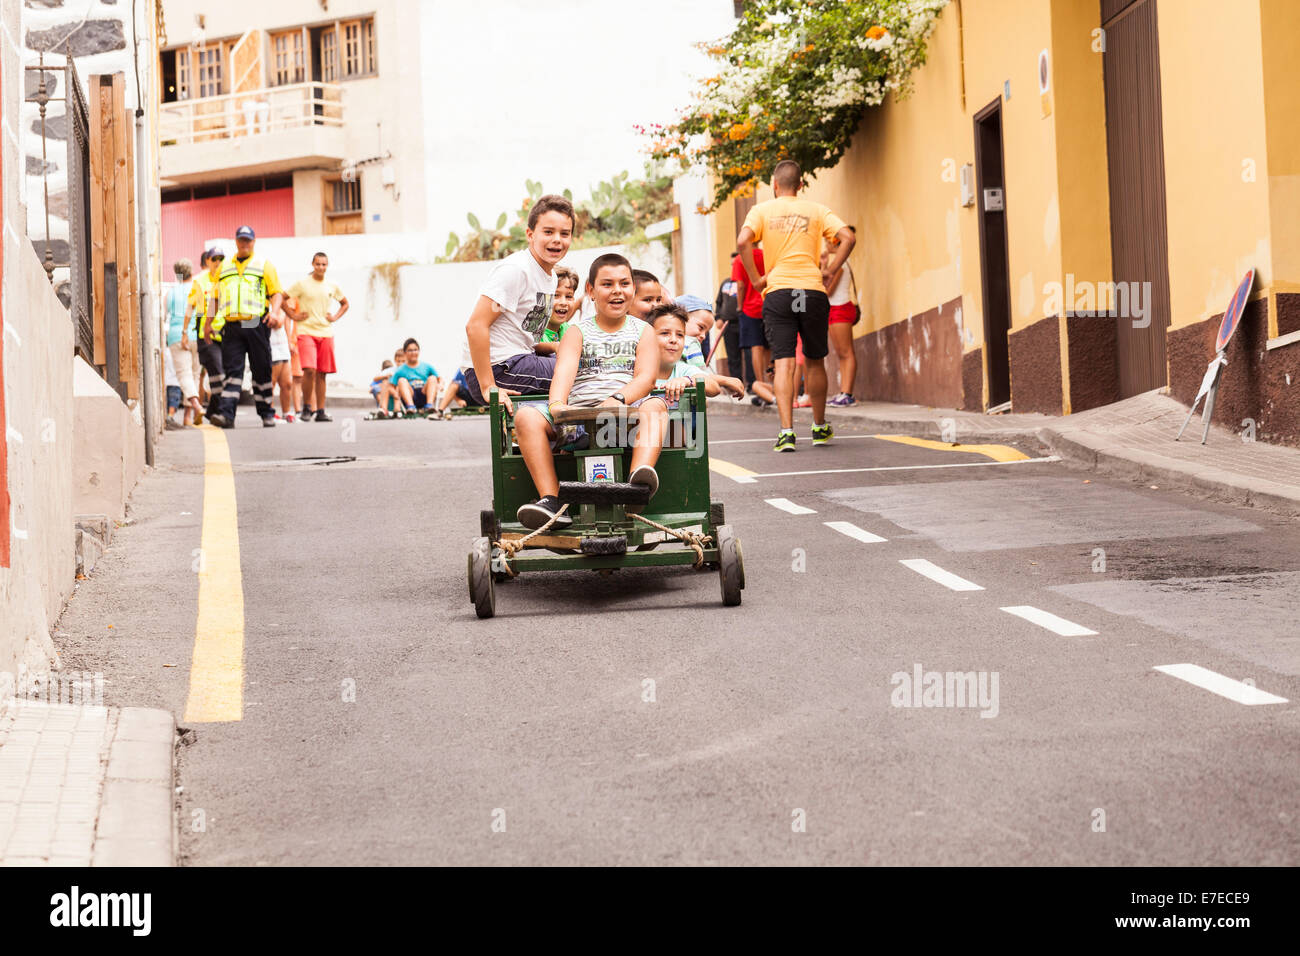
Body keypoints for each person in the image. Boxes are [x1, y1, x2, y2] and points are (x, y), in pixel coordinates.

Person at [513, 253, 669, 529]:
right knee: (526, 416)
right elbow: (564, 372)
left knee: (655, 407)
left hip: (625, 425)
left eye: (624, 283)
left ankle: (637, 483)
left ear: (633, 288)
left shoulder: (643, 331)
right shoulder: (576, 331)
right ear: (590, 290)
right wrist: (558, 404)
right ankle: (551, 501)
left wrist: (617, 399)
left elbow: (645, 378)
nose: (617, 291)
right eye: (607, 284)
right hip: (578, 425)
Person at [737, 158, 855, 451]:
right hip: (812, 290)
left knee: (784, 361)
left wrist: (756, 279)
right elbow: (847, 237)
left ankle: (787, 432)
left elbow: (743, 242)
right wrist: (830, 270)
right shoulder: (816, 210)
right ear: (801, 185)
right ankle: (818, 427)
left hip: (779, 291)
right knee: (815, 360)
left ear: (774, 185)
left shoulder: (761, 210)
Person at [463, 194, 575, 415]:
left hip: (518, 361)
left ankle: (552, 438)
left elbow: (524, 335)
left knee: (578, 359)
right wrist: (488, 387)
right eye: (548, 232)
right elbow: (475, 326)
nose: (557, 239)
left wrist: (554, 347)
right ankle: (574, 436)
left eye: (565, 233)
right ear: (530, 235)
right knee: (583, 371)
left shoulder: (550, 278)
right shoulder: (516, 271)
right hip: (496, 369)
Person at [210, 226, 285, 428]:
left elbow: (276, 293)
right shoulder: (224, 267)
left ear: (253, 242)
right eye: (241, 240)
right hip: (232, 324)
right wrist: (209, 324)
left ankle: (267, 413)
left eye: (248, 240)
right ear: (236, 241)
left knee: (261, 367)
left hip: (255, 321)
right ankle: (227, 415)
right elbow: (215, 299)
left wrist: (275, 312)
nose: (244, 244)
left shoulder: (264, 265)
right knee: (232, 370)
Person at [286, 252, 348, 422]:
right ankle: (307, 407)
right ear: (312, 264)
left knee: (322, 373)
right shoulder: (302, 284)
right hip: (306, 331)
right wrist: (293, 316)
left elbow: (345, 303)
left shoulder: (332, 285)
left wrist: (334, 317)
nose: (321, 267)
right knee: (309, 369)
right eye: (318, 264)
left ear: (327, 266)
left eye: (324, 264)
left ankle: (320, 410)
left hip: (325, 332)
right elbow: (283, 299)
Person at [649, 304, 744, 402]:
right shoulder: (635, 369)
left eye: (680, 335)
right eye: (665, 333)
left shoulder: (683, 369)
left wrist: (687, 380)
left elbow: (714, 388)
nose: (674, 340)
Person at [188, 248, 226, 424]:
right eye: (214, 259)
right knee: (217, 372)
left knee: (221, 374)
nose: (218, 262)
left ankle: (213, 410)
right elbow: (191, 307)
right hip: (207, 334)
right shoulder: (200, 282)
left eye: (221, 258)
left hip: (226, 334)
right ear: (207, 261)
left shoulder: (228, 279)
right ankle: (219, 409)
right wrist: (184, 332)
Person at [165, 259, 202, 425]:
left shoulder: (171, 292)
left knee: (184, 374)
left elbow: (163, 315)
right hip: (196, 335)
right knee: (194, 374)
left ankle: (196, 405)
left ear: (177, 273)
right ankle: (188, 416)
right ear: (191, 272)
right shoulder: (197, 289)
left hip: (176, 336)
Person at [824, 226, 859, 406]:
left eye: (827, 239)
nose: (825, 243)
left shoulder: (840, 264)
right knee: (841, 353)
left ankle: (847, 393)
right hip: (833, 310)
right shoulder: (834, 263)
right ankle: (843, 392)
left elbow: (827, 291)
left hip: (840, 307)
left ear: (834, 241)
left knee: (846, 352)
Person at [731, 241, 768, 397]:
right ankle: (772, 383)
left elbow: (740, 285)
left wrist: (739, 306)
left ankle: (761, 385)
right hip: (769, 304)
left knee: (756, 347)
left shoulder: (740, 259)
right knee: (769, 347)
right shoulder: (767, 255)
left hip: (750, 308)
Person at [535, 265, 578, 356]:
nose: (563, 302)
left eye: (569, 296)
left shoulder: (569, 330)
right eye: (555, 295)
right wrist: (553, 346)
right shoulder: (532, 332)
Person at [390, 338, 440, 416]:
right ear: (405, 352)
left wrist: (441, 385)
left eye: (415, 350)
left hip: (424, 394)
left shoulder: (427, 366)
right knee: (401, 380)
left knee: (433, 378)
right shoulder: (400, 370)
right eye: (410, 350)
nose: (413, 353)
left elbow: (440, 379)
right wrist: (395, 394)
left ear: (419, 351)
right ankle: (411, 407)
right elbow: (391, 386)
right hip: (410, 395)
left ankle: (429, 406)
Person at [715, 255, 743, 380]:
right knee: (732, 355)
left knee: (747, 353)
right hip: (728, 324)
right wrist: (718, 317)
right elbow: (719, 302)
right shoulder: (725, 283)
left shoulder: (744, 282)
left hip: (743, 321)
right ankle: (736, 381)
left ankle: (752, 385)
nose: (734, 267)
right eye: (732, 264)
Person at [269, 299, 296, 422]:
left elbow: (284, 323)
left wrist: (289, 342)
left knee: (287, 383)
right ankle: (270, 413)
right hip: (271, 344)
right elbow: (277, 322)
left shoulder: (281, 303)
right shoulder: (265, 304)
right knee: (271, 382)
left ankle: (286, 413)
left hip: (282, 345)